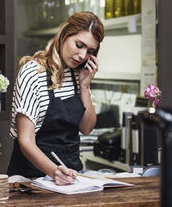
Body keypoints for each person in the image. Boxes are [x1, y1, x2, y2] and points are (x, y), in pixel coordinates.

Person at [7, 11, 105, 185]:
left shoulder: (79, 75)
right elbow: (25, 140)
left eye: (90, 51)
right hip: (31, 177)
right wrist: (54, 172)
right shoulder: (32, 73)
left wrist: (84, 86)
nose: (83, 56)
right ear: (65, 35)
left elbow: (87, 127)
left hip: (71, 175)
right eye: (79, 45)